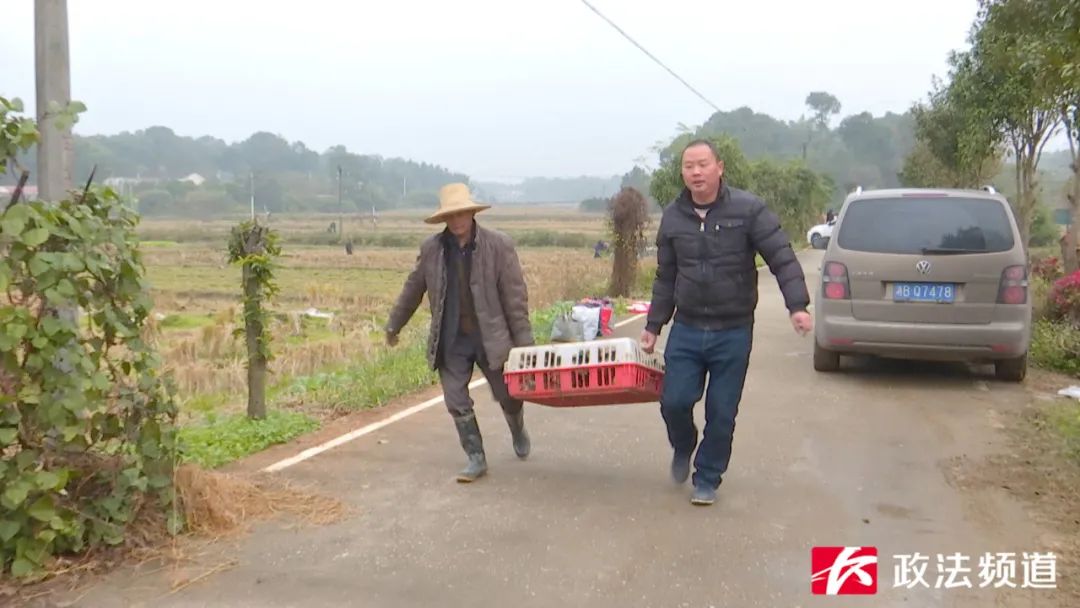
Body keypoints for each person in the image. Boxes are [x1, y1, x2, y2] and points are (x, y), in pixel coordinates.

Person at [640, 139, 813, 506]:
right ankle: (683, 444)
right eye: (689, 166)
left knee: (721, 411)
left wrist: (796, 306)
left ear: (719, 167)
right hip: (686, 328)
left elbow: (781, 257)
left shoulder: (748, 210)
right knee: (674, 401)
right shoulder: (673, 216)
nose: (696, 172)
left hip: (732, 330)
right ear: (682, 172)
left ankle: (708, 477)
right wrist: (654, 325)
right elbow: (665, 276)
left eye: (703, 164)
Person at [385, 183, 535, 483]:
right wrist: (394, 324)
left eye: (461, 214)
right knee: (455, 399)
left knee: (508, 394)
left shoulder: (499, 246)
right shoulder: (432, 250)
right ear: (444, 219)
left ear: (471, 213)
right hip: (451, 337)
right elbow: (413, 289)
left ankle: (517, 426)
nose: (457, 221)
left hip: (490, 336)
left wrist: (525, 347)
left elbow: (515, 299)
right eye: (450, 216)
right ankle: (476, 457)